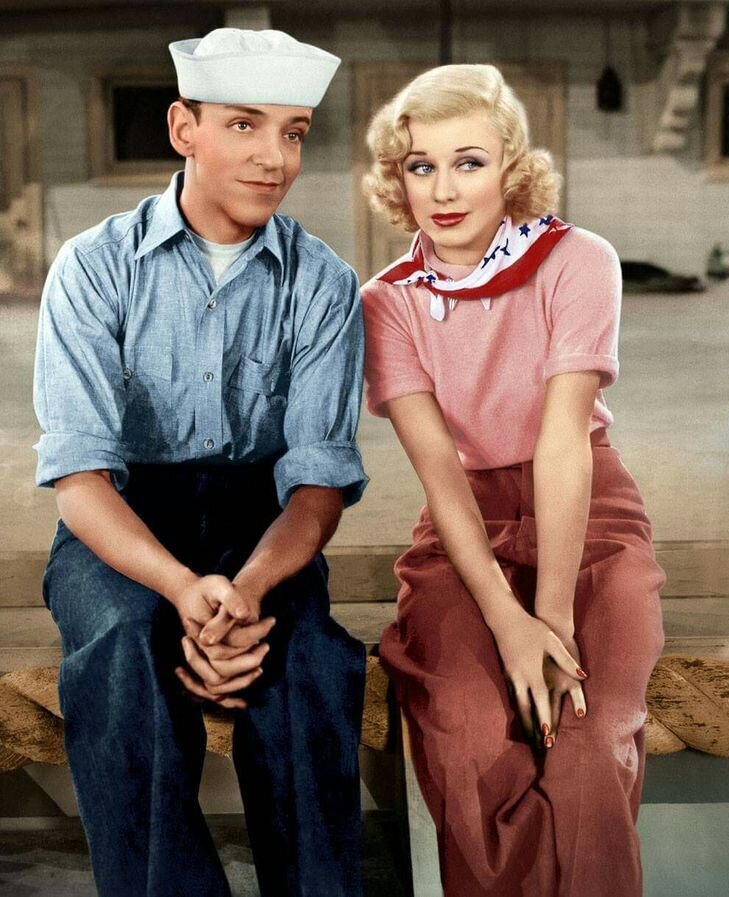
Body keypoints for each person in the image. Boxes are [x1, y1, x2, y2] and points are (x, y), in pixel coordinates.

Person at [33, 27, 368, 897]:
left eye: (293, 132)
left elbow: (318, 484)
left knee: (311, 659)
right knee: (121, 646)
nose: (273, 157)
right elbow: (80, 482)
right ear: (185, 128)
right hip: (123, 523)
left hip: (267, 530)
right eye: (245, 125)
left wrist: (248, 590)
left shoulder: (323, 283)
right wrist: (182, 589)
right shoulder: (95, 268)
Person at [360, 64, 666, 897]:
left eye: (469, 161)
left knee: (588, 736)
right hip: (464, 528)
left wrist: (552, 623)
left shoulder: (579, 260)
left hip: (587, 509)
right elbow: (440, 474)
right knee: (466, 733)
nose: (444, 189)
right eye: (421, 165)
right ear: (397, 179)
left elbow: (564, 440)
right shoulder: (386, 302)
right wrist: (507, 619)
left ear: (511, 168)